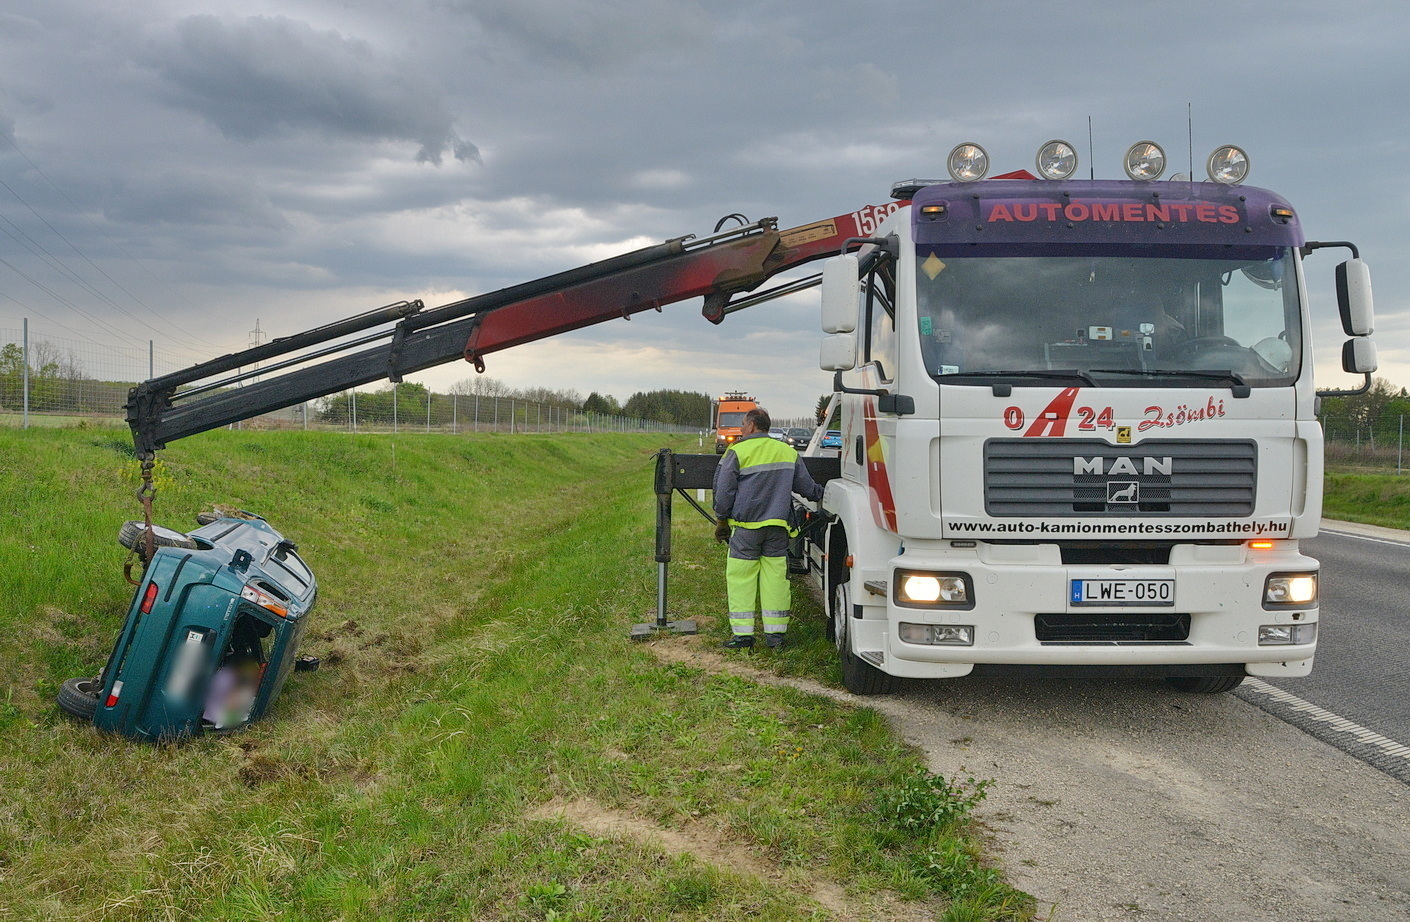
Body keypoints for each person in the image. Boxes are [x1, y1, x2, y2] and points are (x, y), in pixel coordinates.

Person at [712, 407, 824, 649]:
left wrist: (721, 520)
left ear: (752, 426)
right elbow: (807, 488)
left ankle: (743, 637)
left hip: (746, 529)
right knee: (776, 579)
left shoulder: (737, 451)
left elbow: (724, 491)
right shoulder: (786, 451)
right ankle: (775, 638)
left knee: (741, 578)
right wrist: (827, 495)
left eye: (743, 424)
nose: (741, 429)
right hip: (777, 528)